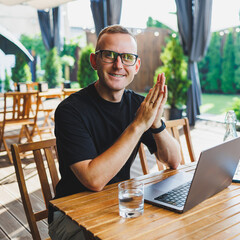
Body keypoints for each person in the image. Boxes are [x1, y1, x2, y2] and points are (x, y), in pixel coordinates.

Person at [48, 25, 182, 240]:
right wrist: (138, 125)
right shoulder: (70, 110)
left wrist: (156, 123)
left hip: (120, 205)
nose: (118, 65)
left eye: (127, 57)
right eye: (109, 55)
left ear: (136, 65)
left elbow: (174, 160)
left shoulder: (138, 105)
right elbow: (94, 180)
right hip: (72, 216)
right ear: (94, 61)